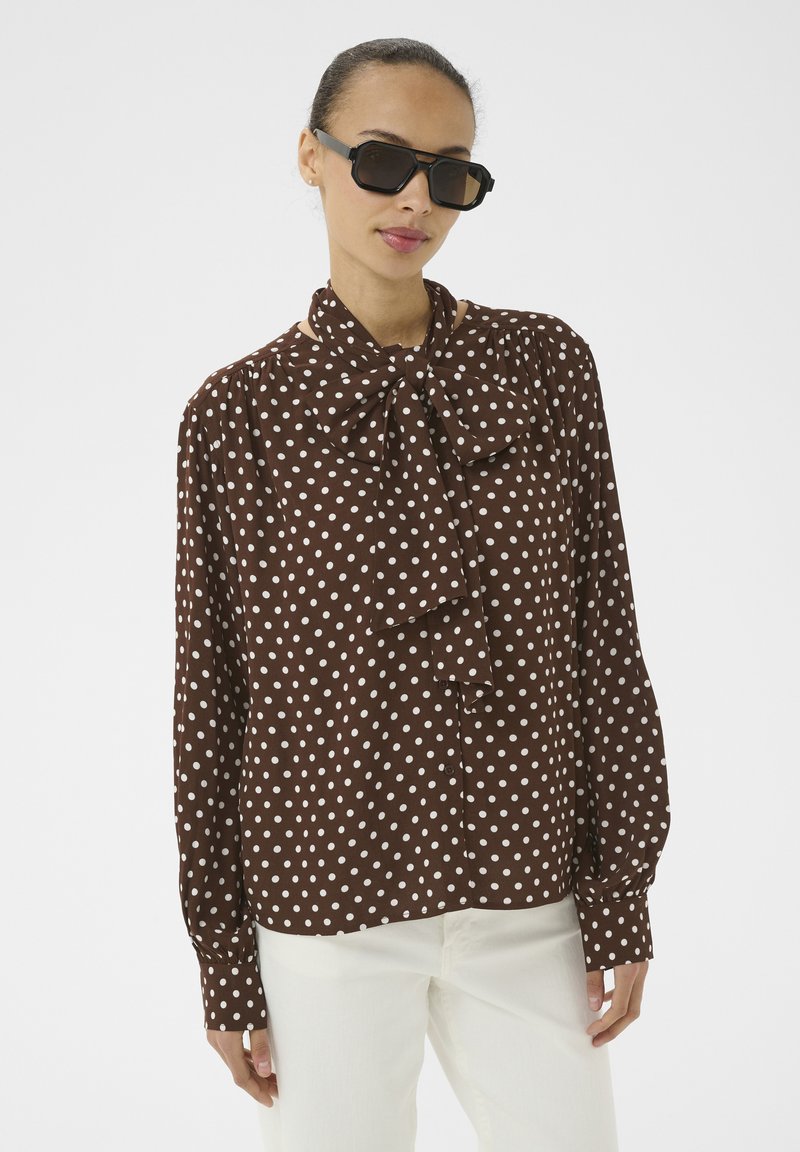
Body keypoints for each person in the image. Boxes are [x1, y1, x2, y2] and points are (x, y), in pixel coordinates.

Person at [172, 36, 671, 1152]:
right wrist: (224, 963)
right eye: (384, 160)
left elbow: (603, 637)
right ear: (311, 156)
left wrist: (619, 893)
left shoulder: (544, 369)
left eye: (451, 175)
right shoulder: (235, 416)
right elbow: (213, 697)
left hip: (528, 892)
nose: (415, 201)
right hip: (325, 905)